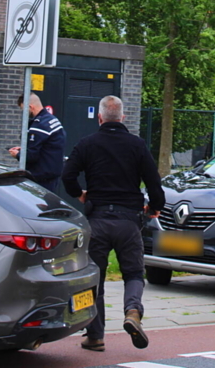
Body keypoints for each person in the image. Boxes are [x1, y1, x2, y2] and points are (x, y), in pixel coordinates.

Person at [61, 95, 165, 352]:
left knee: (95, 278)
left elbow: (67, 174)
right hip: (128, 222)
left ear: (99, 118)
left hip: (97, 221)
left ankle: (95, 336)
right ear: (122, 117)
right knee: (134, 273)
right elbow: (154, 182)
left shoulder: (87, 144)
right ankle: (132, 311)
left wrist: (80, 194)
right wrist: (154, 207)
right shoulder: (137, 145)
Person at [9, 93, 65, 192]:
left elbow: (31, 156)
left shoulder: (39, 126)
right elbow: (47, 147)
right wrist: (25, 149)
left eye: (24, 109)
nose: (24, 113)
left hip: (41, 178)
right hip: (52, 175)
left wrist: (18, 155)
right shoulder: (52, 120)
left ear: (31, 107)